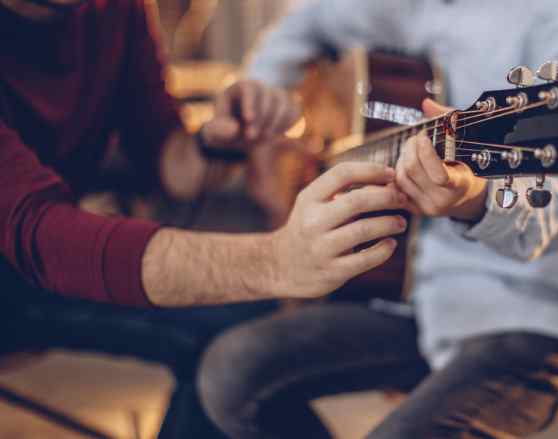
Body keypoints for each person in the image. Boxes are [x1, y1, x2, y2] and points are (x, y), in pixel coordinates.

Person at [197, 0, 558, 438]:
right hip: (409, 296)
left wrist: (475, 199)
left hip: (528, 315)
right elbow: (307, 19)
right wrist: (264, 86)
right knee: (230, 371)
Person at [0, 0, 408, 437]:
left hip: (42, 258)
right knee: (229, 335)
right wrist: (275, 261)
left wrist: (221, 140)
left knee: (249, 338)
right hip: (17, 276)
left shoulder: (117, 10)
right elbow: (41, 236)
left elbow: (167, 163)